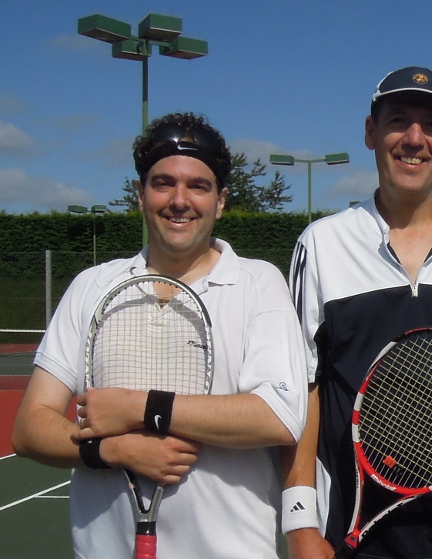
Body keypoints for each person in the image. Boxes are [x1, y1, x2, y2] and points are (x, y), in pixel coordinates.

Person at [11, 112, 308, 558]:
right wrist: (112, 449)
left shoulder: (258, 283)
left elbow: (279, 417)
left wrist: (141, 408)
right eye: (163, 183)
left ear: (221, 200)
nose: (179, 200)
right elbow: (30, 428)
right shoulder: (91, 286)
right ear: (141, 194)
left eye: (198, 186)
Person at [281, 66, 432, 559]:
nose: (415, 139)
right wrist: (301, 525)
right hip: (346, 535)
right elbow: (300, 387)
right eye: (398, 121)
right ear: (371, 132)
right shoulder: (321, 245)